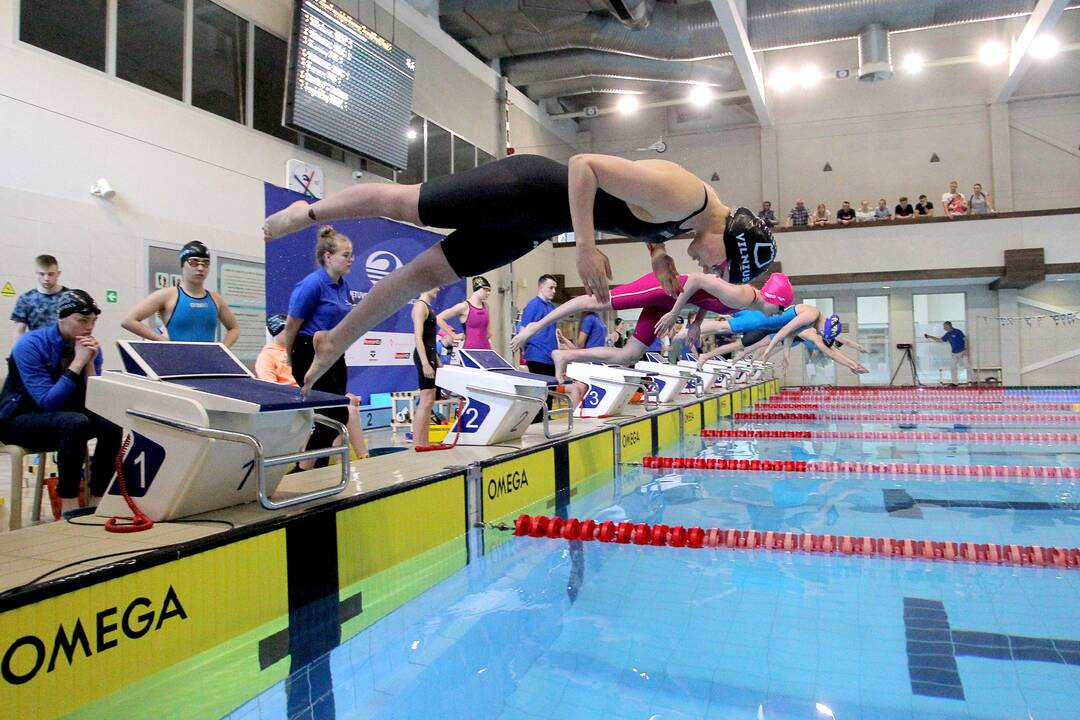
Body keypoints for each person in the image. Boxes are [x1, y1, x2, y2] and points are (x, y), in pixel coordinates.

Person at [263, 153, 776, 392]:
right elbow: (584, 166)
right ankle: (307, 213)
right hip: (523, 189)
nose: (714, 268)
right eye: (724, 262)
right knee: (403, 203)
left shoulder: (686, 216)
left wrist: (656, 252)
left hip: (531, 226)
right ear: (729, 236)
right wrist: (586, 249)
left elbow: (632, 207)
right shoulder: (684, 193)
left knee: (424, 275)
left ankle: (337, 339)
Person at [512, 272, 794, 381]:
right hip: (663, 289)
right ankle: (534, 327)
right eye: (779, 310)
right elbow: (695, 280)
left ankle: (565, 356)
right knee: (597, 302)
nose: (775, 315)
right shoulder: (743, 296)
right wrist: (674, 313)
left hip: (671, 300)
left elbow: (707, 294)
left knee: (629, 356)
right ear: (775, 300)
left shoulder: (747, 301)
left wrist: (695, 323)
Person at [0, 290, 123, 515]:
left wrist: (90, 365)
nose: (89, 327)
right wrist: (78, 362)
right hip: (18, 419)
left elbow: (97, 402)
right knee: (74, 422)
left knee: (111, 422)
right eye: (82, 320)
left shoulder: (90, 347)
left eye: (93, 321)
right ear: (61, 318)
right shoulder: (30, 344)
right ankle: (69, 503)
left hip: (64, 417)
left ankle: (98, 499)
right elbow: (47, 402)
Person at [282, 227, 355, 465]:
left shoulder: (343, 286)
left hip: (334, 353)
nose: (351, 259)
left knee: (331, 416)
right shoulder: (312, 284)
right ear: (328, 256)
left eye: (351, 254)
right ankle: (303, 469)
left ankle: (318, 470)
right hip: (308, 352)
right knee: (337, 413)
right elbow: (292, 325)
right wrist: (290, 358)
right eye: (346, 254)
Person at [256, 313, 367, 462]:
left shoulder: (301, 351)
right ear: (277, 333)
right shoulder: (267, 356)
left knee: (347, 407)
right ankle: (337, 462)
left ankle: (359, 458)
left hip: (312, 395)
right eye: (288, 331)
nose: (294, 334)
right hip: (295, 403)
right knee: (341, 412)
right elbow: (269, 387)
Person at [122, 241, 240, 345]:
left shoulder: (216, 299)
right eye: (194, 262)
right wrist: (164, 341)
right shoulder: (168, 295)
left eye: (205, 263)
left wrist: (223, 349)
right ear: (183, 265)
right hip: (177, 364)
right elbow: (129, 321)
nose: (200, 268)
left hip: (208, 365)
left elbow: (234, 328)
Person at [757, 306, 870, 375]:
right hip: (774, 321)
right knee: (758, 341)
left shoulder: (819, 331)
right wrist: (769, 349)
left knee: (761, 342)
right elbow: (786, 330)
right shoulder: (812, 319)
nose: (821, 334)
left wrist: (853, 365)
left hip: (786, 333)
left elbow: (833, 353)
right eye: (823, 333)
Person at [409, 289, 441, 447]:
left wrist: (437, 361)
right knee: (425, 400)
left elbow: (431, 340)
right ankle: (417, 443)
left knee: (429, 400)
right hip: (424, 357)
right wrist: (425, 363)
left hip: (430, 355)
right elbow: (418, 337)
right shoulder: (420, 306)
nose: (439, 289)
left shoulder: (427, 307)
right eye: (436, 285)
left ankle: (425, 442)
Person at [11, 254, 68, 344]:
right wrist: (17, 354)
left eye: (51, 274)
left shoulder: (69, 297)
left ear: (58, 274)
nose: (46, 279)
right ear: (36, 274)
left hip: (65, 353)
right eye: (42, 274)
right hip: (37, 351)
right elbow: (19, 331)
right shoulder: (26, 299)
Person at [519, 275, 560, 376]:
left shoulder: (551, 307)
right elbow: (523, 331)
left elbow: (554, 332)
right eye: (551, 288)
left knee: (552, 389)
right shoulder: (533, 305)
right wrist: (524, 354)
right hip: (537, 356)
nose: (554, 291)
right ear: (541, 287)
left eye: (555, 288)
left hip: (550, 357)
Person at [436, 276, 492, 350]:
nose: (488, 293)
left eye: (489, 290)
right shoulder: (464, 306)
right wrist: (454, 335)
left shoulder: (486, 306)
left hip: (486, 349)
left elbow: (488, 332)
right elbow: (439, 318)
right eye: (485, 289)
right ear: (477, 289)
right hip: (470, 350)